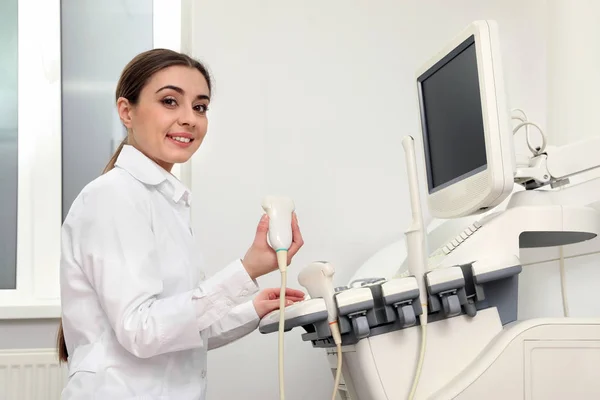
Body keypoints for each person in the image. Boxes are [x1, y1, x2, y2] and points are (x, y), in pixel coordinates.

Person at [56, 48, 305, 399]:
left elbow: (178, 330)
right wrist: (245, 270)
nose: (189, 118)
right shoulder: (113, 196)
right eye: (170, 101)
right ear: (126, 111)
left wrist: (252, 308)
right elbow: (142, 331)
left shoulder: (163, 201)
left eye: (199, 107)